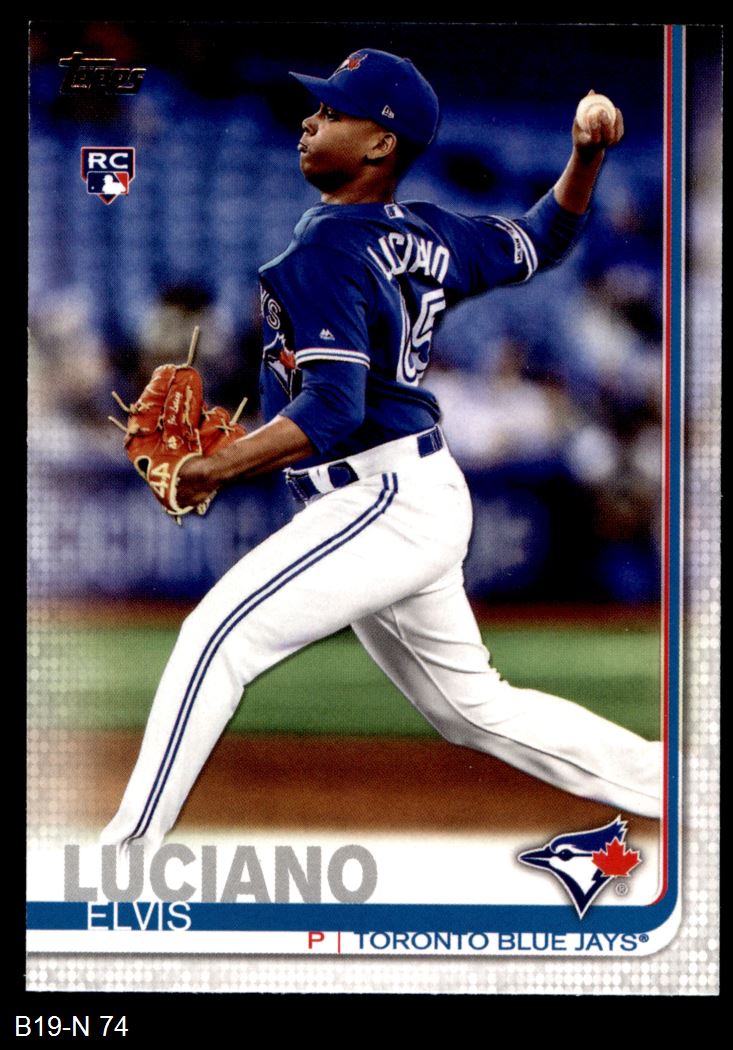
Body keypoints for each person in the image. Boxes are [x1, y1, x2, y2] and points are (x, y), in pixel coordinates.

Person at [101, 49, 661, 855]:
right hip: (409, 491)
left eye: (331, 113)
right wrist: (585, 155)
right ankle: (682, 784)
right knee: (472, 709)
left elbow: (332, 408)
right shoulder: (432, 232)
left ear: (378, 144)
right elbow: (545, 236)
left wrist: (212, 467)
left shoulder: (324, 249)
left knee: (214, 640)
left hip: (381, 497)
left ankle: (121, 862)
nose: (308, 121)